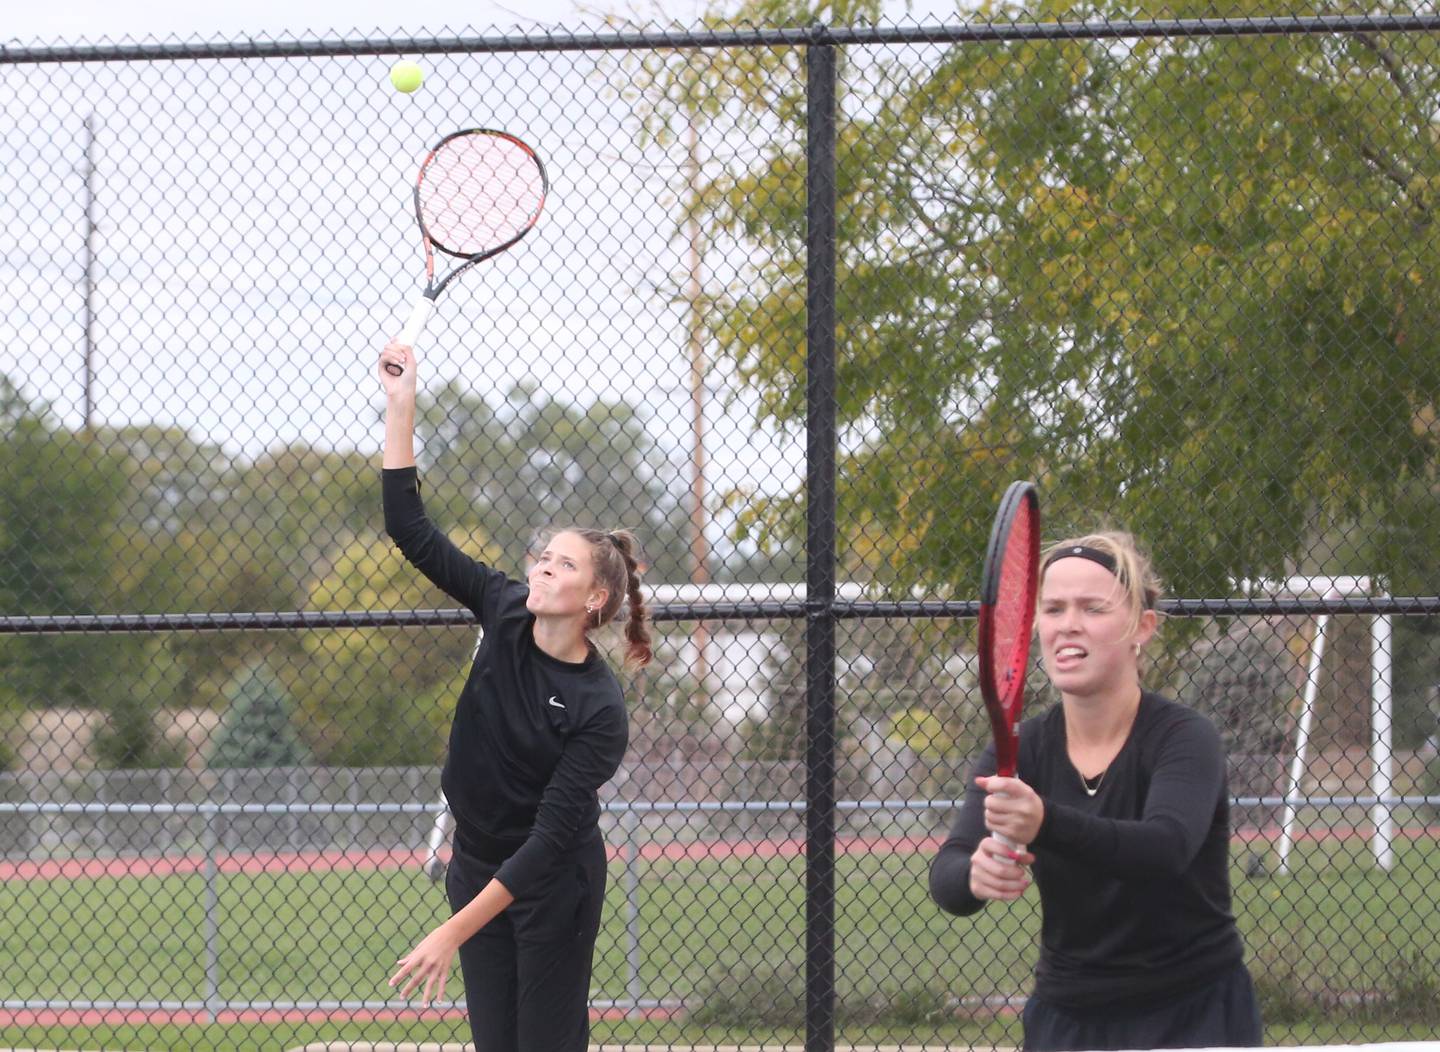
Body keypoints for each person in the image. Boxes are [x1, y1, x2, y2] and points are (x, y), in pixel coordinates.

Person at [377, 339, 652, 1052]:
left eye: (560, 564)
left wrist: (453, 928)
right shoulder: (501, 608)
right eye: (541, 555)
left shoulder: (600, 710)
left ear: (593, 598)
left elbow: (546, 843)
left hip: (550, 887)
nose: (539, 566)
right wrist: (401, 406)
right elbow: (410, 529)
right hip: (475, 863)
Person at [929, 531, 1261, 1051]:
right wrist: (975, 873)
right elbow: (948, 878)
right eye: (1054, 608)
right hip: (1067, 1018)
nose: (1069, 625)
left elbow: (1164, 849)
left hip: (1194, 1011)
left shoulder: (1184, 738)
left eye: (1093, 608)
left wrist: (1046, 825)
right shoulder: (1022, 748)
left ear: (1142, 628)